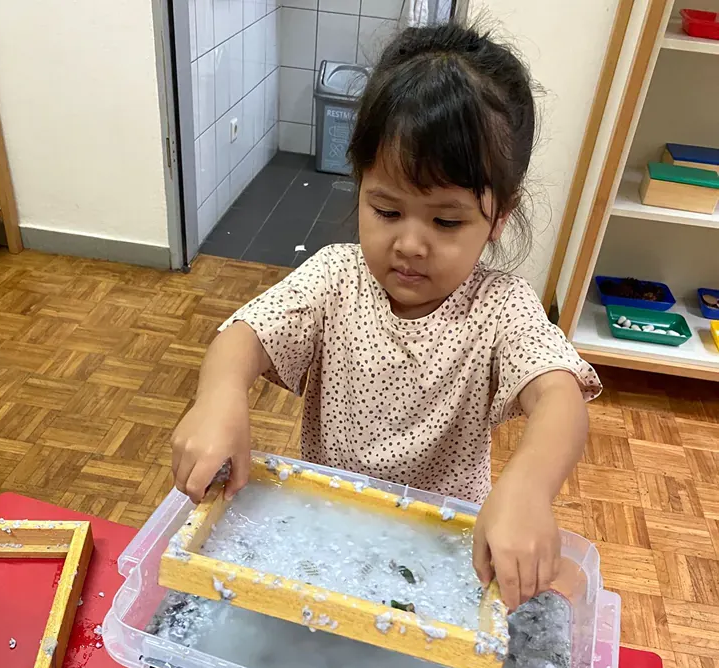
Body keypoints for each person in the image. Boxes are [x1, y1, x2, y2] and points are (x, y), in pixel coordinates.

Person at [171, 22, 601, 611]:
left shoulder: (501, 307)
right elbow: (242, 336)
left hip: (447, 549)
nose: (411, 244)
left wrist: (529, 485)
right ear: (360, 183)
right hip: (327, 530)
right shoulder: (335, 278)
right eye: (387, 209)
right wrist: (219, 395)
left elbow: (560, 397)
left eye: (446, 222)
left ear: (500, 216)